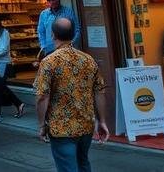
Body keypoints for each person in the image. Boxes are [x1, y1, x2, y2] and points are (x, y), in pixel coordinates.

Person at [34, 17, 109, 172]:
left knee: (67, 168)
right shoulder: (88, 60)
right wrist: (101, 121)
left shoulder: (49, 62)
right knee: (83, 163)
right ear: (73, 34)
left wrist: (41, 125)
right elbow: (100, 91)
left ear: (53, 35)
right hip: (85, 124)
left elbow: (42, 96)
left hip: (61, 127)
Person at [36, 0, 80, 64]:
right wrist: (43, 47)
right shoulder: (44, 14)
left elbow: (77, 30)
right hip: (49, 51)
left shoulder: (68, 12)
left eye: (54, 0)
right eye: (49, 0)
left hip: (66, 51)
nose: (51, 3)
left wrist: (71, 44)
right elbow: (41, 32)